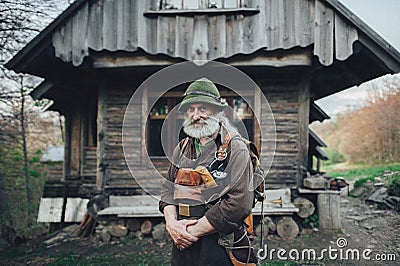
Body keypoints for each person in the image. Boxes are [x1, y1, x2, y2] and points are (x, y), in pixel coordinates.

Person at [159, 78, 258, 265]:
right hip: (183, 246)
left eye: (203, 109)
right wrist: (172, 225)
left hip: (221, 246)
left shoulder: (236, 149)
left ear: (218, 111)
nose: (196, 115)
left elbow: (239, 204)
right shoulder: (181, 148)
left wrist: (191, 232)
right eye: (191, 109)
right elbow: (167, 192)